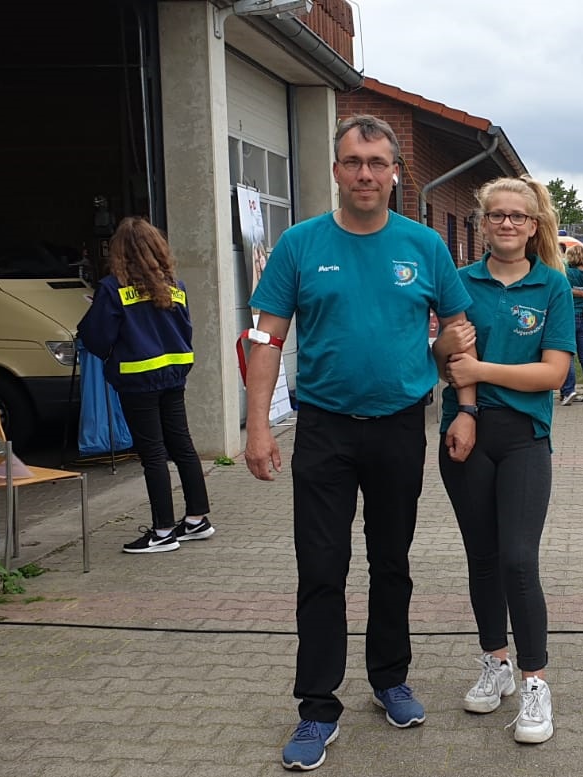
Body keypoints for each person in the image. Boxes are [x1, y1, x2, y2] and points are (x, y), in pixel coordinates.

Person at [242, 114, 473, 771]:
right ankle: (317, 705)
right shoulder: (300, 244)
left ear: (396, 172)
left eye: (377, 163)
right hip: (323, 429)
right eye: (353, 162)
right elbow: (266, 338)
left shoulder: (424, 246)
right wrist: (257, 425)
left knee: (391, 561)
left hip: (400, 426)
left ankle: (389, 677)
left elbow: (457, 336)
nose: (365, 174)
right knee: (321, 567)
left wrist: (466, 407)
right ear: (337, 170)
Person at [431, 176, 574, 744]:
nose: (508, 224)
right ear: (482, 223)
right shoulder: (460, 281)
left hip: (524, 438)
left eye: (519, 216)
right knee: (483, 558)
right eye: (497, 215)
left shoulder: (552, 285)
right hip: (465, 433)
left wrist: (480, 370)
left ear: (534, 225)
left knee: (518, 558)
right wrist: (451, 362)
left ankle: (536, 682)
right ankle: (496, 662)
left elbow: (554, 373)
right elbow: (447, 355)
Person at [77, 217, 213, 554]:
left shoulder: (113, 289)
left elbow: (96, 336)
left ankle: (163, 532)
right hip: (174, 375)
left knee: (153, 454)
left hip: (138, 379)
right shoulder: (175, 286)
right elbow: (185, 329)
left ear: (120, 252)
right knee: (182, 446)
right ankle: (197, 520)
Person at [558, 243, 583, 406]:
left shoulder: (568, 272)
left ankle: (569, 391)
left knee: (568, 355)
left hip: (569, 316)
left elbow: (564, 289)